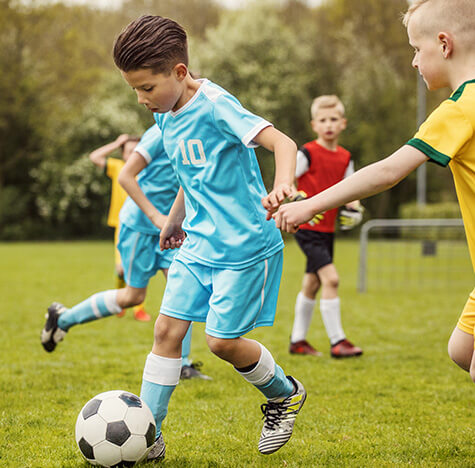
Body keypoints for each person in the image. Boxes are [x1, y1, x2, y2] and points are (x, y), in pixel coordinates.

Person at [112, 15, 306, 460]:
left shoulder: (217, 105)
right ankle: (149, 436)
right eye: (135, 90)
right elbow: (190, 174)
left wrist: (282, 186)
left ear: (180, 73)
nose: (141, 99)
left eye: (146, 88)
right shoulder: (165, 115)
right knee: (166, 330)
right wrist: (174, 219)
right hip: (197, 243)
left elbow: (285, 143)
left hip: (244, 247)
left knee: (221, 343)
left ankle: (284, 394)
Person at [276, 0, 475, 383]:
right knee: (461, 349)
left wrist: (309, 206)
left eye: (417, 49)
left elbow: (387, 172)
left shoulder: (459, 109)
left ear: (445, 44)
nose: (415, 62)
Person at [40, 124, 211, 380]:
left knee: (183, 290)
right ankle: (62, 319)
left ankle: (182, 364)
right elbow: (125, 177)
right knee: (133, 296)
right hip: (140, 228)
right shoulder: (159, 133)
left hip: (172, 229)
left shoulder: (196, 134)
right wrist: (156, 217)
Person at [288, 95, 363, 358]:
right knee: (331, 278)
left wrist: (355, 208)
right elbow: (288, 180)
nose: (328, 124)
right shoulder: (307, 153)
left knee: (312, 284)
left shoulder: (345, 157)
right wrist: (298, 198)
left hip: (328, 230)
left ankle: (298, 342)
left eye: (333, 119)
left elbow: (352, 186)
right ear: (314, 125)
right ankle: (338, 342)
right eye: (323, 120)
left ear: (343, 123)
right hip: (307, 228)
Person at [89, 134, 150, 321]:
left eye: (136, 151)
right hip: (122, 224)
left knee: (138, 266)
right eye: (129, 151)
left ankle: (139, 308)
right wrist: (117, 143)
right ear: (123, 154)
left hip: (143, 226)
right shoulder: (117, 167)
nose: (133, 155)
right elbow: (95, 157)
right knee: (121, 269)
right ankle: (120, 301)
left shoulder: (147, 170)